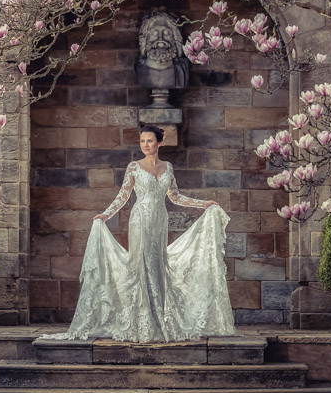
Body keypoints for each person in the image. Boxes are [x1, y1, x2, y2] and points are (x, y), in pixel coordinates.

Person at [46, 124, 237, 342]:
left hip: (159, 221)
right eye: (142, 141)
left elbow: (175, 196)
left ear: (159, 142)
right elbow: (123, 196)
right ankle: (141, 322)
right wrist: (105, 216)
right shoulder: (134, 167)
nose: (145, 145)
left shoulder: (168, 167)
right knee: (141, 264)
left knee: (157, 265)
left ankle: (159, 320)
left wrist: (203, 204)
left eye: (149, 140)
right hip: (140, 221)